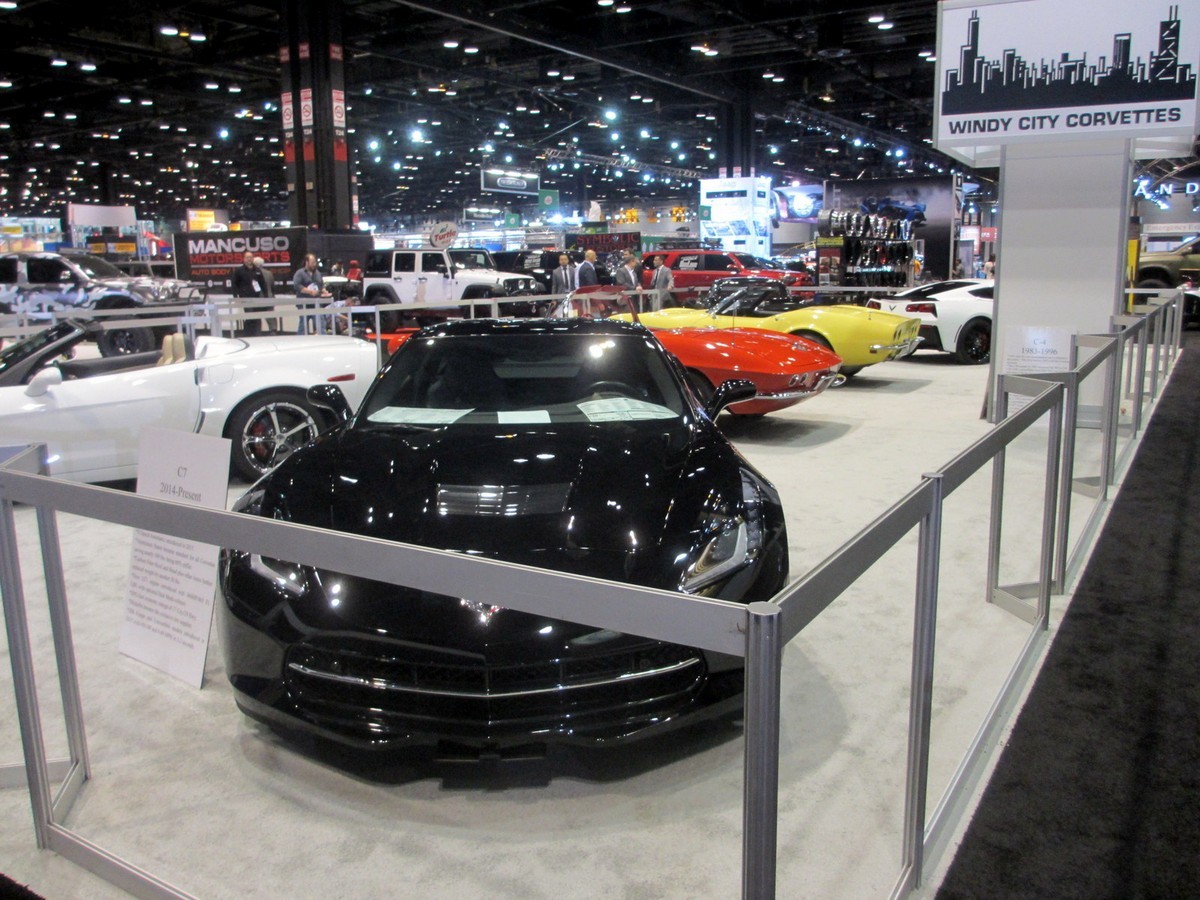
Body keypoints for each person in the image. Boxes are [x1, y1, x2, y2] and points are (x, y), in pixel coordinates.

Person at [293, 252, 331, 334]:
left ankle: (324, 338)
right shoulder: (299, 273)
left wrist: (324, 291)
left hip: (316, 303)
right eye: (312, 262)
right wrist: (310, 292)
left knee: (321, 323)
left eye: (315, 262)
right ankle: (301, 339)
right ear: (306, 262)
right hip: (304, 304)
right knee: (303, 326)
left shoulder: (318, 273)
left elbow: (321, 285)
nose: (314, 264)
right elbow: (297, 286)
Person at [230, 251, 267, 335]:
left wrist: (265, 296)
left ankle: (257, 334)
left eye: (250, 257)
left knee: (257, 317)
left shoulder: (257, 270)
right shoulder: (239, 270)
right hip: (245, 298)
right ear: (244, 259)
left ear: (253, 258)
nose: (249, 259)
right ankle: (247, 334)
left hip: (256, 298)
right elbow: (234, 284)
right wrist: (235, 296)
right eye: (247, 257)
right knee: (250, 315)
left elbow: (262, 284)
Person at [252, 256, 277, 331]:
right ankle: (273, 331)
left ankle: (257, 332)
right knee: (270, 316)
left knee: (256, 317)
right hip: (269, 298)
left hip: (256, 298)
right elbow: (272, 286)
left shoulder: (252, 273)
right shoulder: (269, 273)